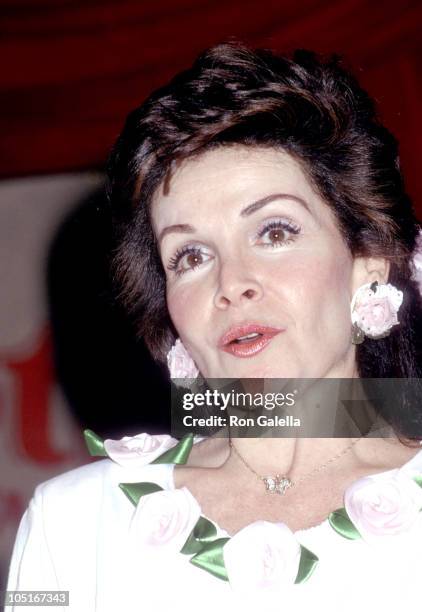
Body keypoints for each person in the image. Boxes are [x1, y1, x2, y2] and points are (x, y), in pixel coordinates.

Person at [5, 40, 422, 612]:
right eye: (191, 256)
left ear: (366, 265)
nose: (232, 283)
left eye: (274, 232)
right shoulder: (71, 522)